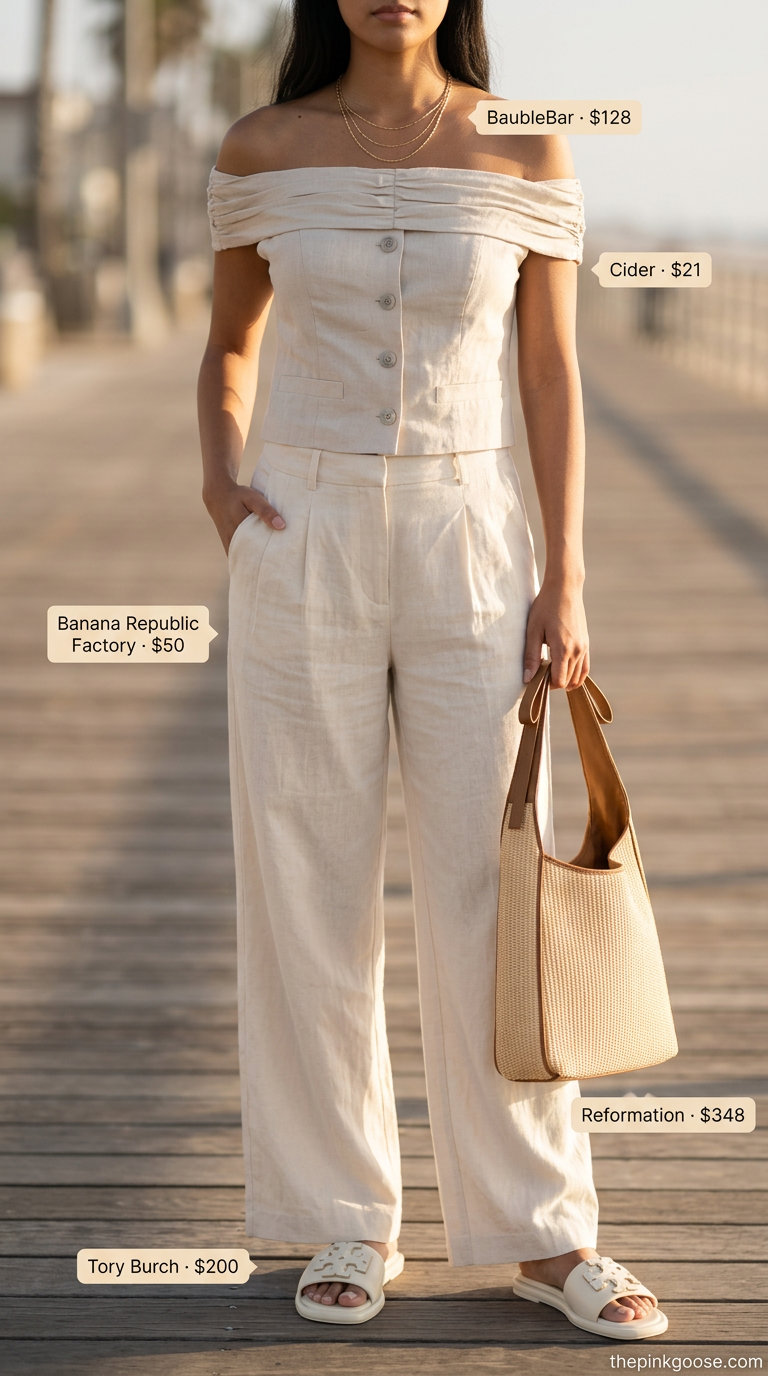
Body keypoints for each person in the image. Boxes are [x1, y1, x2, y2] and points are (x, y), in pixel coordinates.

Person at [197, 0, 667, 1342]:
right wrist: (226, 491)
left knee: (494, 881)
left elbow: (552, 372)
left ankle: (543, 1232)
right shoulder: (265, 145)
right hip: (305, 533)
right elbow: (230, 347)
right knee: (306, 878)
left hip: (476, 536)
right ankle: (342, 1216)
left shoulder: (527, 150)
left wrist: (564, 577)